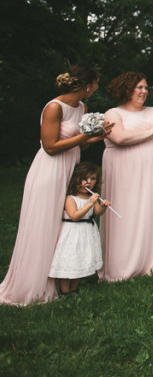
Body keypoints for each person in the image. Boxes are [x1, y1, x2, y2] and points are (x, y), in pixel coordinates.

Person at [0, 65, 109, 306]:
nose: (97, 86)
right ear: (86, 85)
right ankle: (33, 284)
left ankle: (61, 277)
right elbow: (49, 146)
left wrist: (98, 135)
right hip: (50, 170)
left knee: (63, 226)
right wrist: (83, 136)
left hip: (71, 166)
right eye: (96, 82)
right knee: (44, 223)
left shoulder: (82, 107)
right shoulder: (54, 107)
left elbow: (79, 145)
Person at [99, 72, 153, 281]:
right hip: (126, 172)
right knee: (129, 210)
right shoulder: (113, 113)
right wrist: (152, 130)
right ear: (127, 89)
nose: (144, 91)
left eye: (146, 87)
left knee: (152, 210)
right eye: (139, 87)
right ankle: (124, 264)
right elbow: (120, 138)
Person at [50, 162, 108, 299]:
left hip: (85, 234)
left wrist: (103, 206)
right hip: (72, 234)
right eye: (84, 178)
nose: (88, 182)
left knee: (79, 260)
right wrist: (90, 203)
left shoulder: (90, 197)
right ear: (76, 179)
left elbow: (97, 212)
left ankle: (74, 289)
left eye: (93, 179)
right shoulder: (70, 198)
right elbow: (74, 216)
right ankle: (64, 292)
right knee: (68, 260)